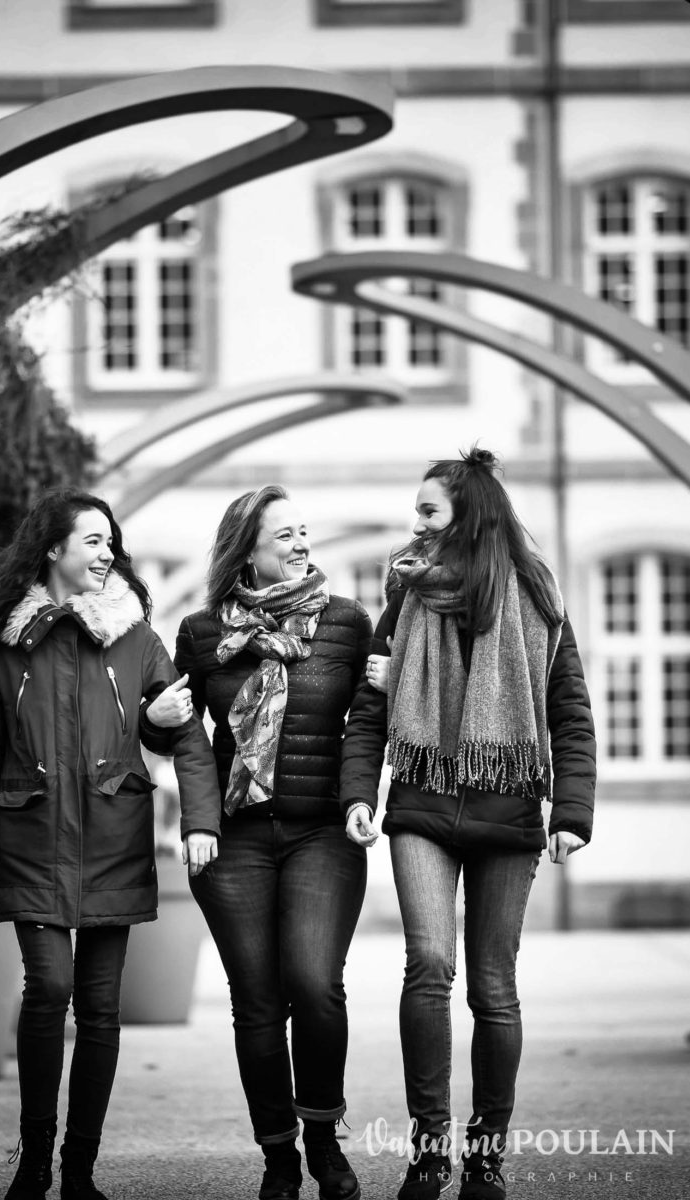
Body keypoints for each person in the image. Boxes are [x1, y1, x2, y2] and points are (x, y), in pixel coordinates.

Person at [340, 449, 596, 1200]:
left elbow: (568, 712)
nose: (415, 522)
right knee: (428, 964)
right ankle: (429, 1150)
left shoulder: (537, 599)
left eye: (428, 510)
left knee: (492, 986)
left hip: (507, 806)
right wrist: (359, 794)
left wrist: (572, 810)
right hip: (421, 802)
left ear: (469, 516)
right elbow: (369, 712)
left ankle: (486, 1155)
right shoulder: (406, 596)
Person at [0, 488, 220, 1200]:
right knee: (49, 987)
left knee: (100, 1007)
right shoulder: (5, 645)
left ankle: (79, 1171)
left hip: (113, 839)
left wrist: (199, 821)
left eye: (110, 542)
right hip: (32, 837)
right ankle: (34, 1163)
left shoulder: (137, 638)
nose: (107, 554)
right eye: (92, 541)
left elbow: (184, 735)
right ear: (53, 549)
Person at [145, 484, 372, 1200]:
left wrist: (361, 796)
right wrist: (154, 722)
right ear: (246, 550)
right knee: (256, 1002)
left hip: (322, 831)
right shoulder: (202, 632)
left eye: (304, 532)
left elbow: (367, 724)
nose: (301, 544)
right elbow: (178, 731)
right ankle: (278, 1157)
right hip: (235, 838)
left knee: (315, 984)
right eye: (284, 535)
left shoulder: (346, 622)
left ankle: (323, 1141)